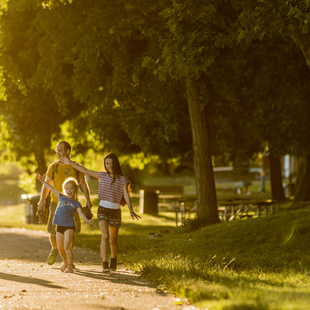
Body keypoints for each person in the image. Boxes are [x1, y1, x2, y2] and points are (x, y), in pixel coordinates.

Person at [62, 153, 140, 272]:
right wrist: (70, 162)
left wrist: (131, 210)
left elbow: (126, 195)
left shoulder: (122, 179)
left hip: (115, 211)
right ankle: (104, 263)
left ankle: (113, 259)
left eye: (111, 163)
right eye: (107, 163)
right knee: (105, 236)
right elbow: (85, 170)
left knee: (113, 239)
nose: (109, 166)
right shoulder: (102, 176)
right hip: (103, 209)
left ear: (116, 164)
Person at [37, 141, 92, 265]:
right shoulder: (54, 166)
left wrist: (88, 199)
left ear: (68, 151)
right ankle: (55, 248)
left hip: (72, 205)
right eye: (57, 150)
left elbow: (83, 184)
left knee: (70, 233)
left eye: (60, 150)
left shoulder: (75, 166)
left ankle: (67, 261)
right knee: (52, 232)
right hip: (56, 204)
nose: (58, 153)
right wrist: (42, 201)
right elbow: (47, 185)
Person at [36, 173, 93, 273]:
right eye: (66, 188)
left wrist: (87, 220)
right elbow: (51, 187)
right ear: (64, 190)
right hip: (59, 226)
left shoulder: (76, 203)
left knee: (67, 246)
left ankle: (70, 267)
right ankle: (65, 262)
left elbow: (80, 213)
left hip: (69, 226)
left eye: (71, 188)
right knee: (60, 247)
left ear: (75, 190)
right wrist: (43, 181)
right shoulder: (61, 197)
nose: (69, 190)